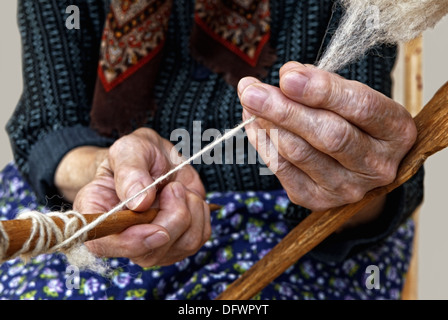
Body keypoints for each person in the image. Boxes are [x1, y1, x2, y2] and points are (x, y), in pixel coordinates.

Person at [0, 0, 423, 300]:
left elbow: (368, 172)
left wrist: (352, 178)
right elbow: (48, 127)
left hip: (304, 230)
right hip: (89, 208)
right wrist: (107, 169)